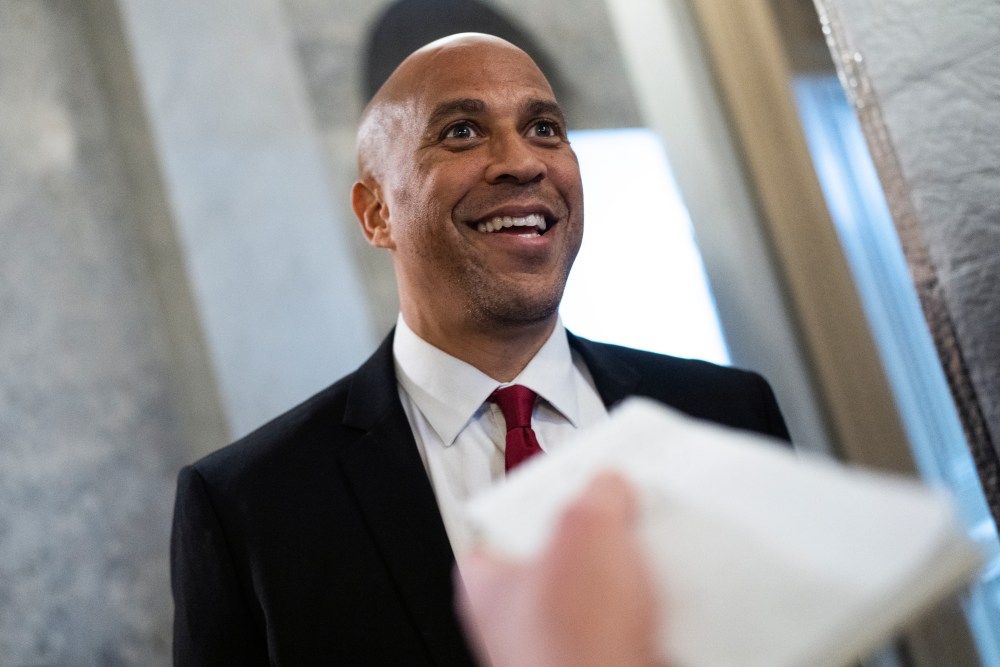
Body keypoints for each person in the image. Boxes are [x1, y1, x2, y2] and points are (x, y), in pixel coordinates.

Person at [170, 32, 789, 665]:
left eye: (545, 128)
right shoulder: (250, 504)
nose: (523, 162)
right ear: (377, 212)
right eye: (462, 132)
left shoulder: (729, 414)